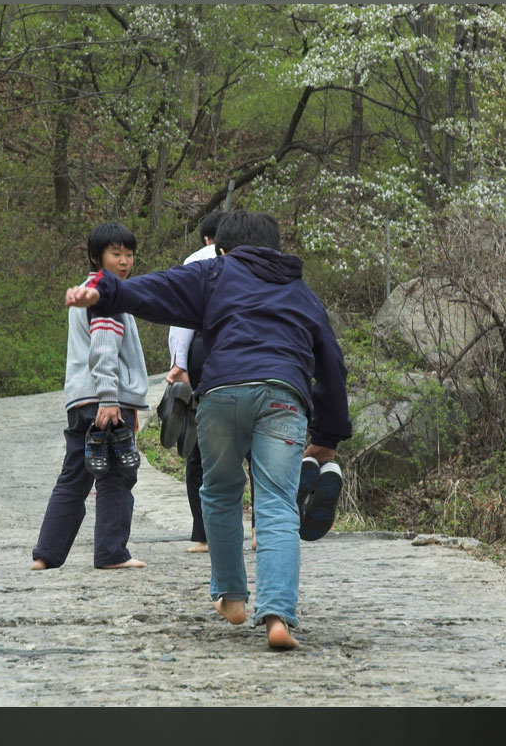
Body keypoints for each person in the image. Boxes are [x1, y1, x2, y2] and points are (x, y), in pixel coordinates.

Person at [65, 211, 352, 649]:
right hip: (283, 396)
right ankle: (277, 617)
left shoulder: (214, 273)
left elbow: (155, 290)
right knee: (276, 503)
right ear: (276, 248)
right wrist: (328, 436)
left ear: (221, 248)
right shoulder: (301, 292)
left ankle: (232, 598)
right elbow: (331, 363)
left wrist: (104, 290)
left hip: (222, 396)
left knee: (220, 492)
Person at [32, 222, 150, 571]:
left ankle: (46, 554)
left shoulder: (87, 290)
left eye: (129, 254)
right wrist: (111, 399)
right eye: (116, 254)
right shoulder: (107, 294)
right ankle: (112, 553)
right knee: (117, 475)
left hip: (81, 399)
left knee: (74, 475)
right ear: (96, 256)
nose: (125, 261)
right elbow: (103, 348)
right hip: (103, 400)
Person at [164, 211, 255, 554]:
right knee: (254, 443)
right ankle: (262, 529)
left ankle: (203, 535)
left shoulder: (197, 260)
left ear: (209, 239)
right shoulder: (261, 261)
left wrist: (179, 364)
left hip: (205, 352)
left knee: (201, 445)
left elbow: (180, 318)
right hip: (251, 353)